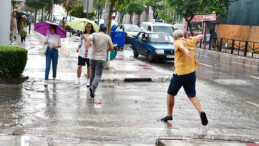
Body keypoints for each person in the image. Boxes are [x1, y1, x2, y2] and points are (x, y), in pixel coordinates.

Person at [161, 30, 208, 126]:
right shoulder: (191, 40)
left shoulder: (177, 42)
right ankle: (201, 112)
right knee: (192, 96)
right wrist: (200, 36)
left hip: (180, 74)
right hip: (191, 73)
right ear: (183, 35)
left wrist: (186, 51)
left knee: (171, 93)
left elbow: (181, 47)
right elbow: (200, 36)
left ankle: (169, 114)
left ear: (175, 37)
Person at [85, 26, 114, 98]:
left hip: (92, 58)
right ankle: (93, 87)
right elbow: (112, 47)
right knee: (98, 75)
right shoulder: (107, 37)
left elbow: (88, 40)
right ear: (105, 31)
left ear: (99, 30)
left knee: (92, 74)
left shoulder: (94, 34)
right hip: (101, 59)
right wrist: (106, 50)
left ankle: (91, 91)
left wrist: (86, 50)